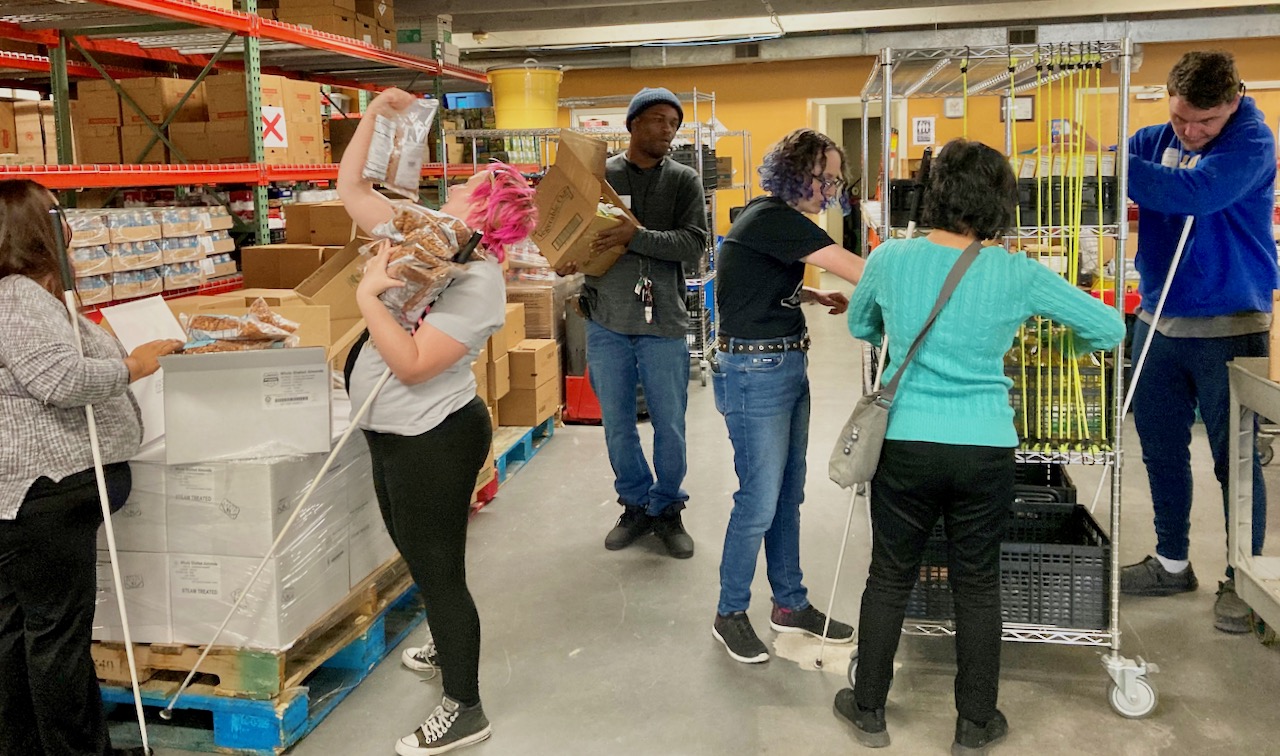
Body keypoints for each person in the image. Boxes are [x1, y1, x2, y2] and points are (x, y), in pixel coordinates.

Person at [838, 139, 1124, 752]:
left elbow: (861, 325)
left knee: (889, 574)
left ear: (934, 193)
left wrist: (901, 326)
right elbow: (1108, 326)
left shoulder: (891, 258)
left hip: (906, 441)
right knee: (977, 581)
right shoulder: (1016, 272)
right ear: (1000, 201)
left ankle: (868, 709)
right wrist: (1062, 350)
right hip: (985, 446)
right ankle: (974, 723)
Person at [337, 88, 538, 756]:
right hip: (393, 430)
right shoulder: (428, 240)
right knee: (416, 552)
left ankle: (466, 708)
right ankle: (447, 649)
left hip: (435, 438)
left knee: (439, 568)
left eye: (466, 188)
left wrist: (369, 296)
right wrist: (375, 118)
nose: (451, 190)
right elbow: (353, 192)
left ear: (483, 211)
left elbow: (417, 364)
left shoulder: (478, 280)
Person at [0, 179, 182, 756]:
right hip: (45, 492)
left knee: (20, 629)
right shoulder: (20, 298)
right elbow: (59, 380)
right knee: (57, 635)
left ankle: (25, 744)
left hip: (28, 496)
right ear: (41, 231)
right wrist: (134, 366)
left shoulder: (30, 296)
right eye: (58, 216)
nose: (70, 226)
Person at [1119, 50, 1277, 634]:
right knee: (1160, 449)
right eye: (1181, 118)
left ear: (1233, 100)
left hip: (1231, 324)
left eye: (1204, 122)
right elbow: (1126, 162)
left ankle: (1245, 579)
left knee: (1233, 462)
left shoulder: (1253, 144)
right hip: (1157, 319)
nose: (1189, 132)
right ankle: (1170, 561)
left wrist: (1119, 166)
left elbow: (1198, 194)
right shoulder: (1155, 138)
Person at [710, 128, 866, 664]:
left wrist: (810, 293)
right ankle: (729, 612)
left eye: (834, 181)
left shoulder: (767, 220)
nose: (830, 191)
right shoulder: (778, 220)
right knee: (758, 499)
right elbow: (859, 269)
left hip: (782, 361)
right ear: (799, 175)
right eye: (826, 179)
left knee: (786, 496)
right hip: (756, 370)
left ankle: (789, 603)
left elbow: (753, 281)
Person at [576, 86, 708, 558]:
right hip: (606, 317)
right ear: (632, 123)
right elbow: (575, 231)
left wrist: (638, 237)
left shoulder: (684, 181)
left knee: (670, 423)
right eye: (655, 119)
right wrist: (564, 256)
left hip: (664, 321)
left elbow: (693, 243)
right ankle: (634, 503)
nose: (666, 128)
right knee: (617, 422)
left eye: (673, 122)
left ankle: (667, 508)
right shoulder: (601, 175)